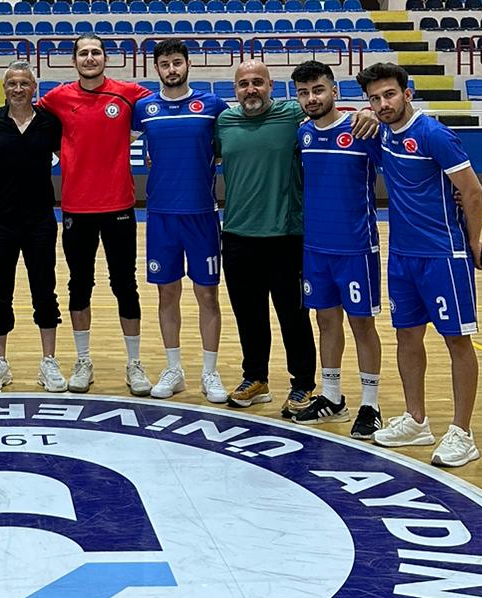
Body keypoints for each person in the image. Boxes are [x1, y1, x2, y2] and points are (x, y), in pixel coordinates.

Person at [215, 57, 379, 412]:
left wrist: (369, 113)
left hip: (287, 235)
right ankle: (255, 378)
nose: (251, 90)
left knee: (294, 315)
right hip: (237, 234)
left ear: (272, 87)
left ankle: (303, 383)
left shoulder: (294, 115)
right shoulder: (224, 122)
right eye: (244, 84)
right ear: (235, 90)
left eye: (258, 82)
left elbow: (330, 115)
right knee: (248, 314)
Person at [358, 61, 482, 469]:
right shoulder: (382, 132)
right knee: (407, 337)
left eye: (389, 95)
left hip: (443, 256)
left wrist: (473, 242)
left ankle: (462, 433)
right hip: (402, 257)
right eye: (375, 99)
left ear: (407, 94)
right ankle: (416, 421)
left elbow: (473, 192)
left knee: (457, 341)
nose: (383, 104)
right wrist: (362, 115)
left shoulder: (434, 135)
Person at [38, 34, 150, 395]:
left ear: (106, 58)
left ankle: (134, 363)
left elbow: (163, 112)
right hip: (76, 207)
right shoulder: (57, 98)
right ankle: (83, 360)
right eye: (83, 53)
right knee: (79, 284)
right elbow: (26, 120)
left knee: (125, 285)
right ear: (74, 61)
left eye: (96, 52)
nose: (90, 58)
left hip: (119, 205)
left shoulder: (128, 93)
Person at [291, 59, 383, 438]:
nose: (311, 98)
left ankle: (370, 405)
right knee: (325, 321)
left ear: (334, 91)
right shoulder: (302, 134)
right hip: (315, 248)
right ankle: (332, 398)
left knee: (362, 324)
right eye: (303, 93)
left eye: (318, 90)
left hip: (356, 248)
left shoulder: (363, 129)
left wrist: (372, 114)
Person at [132, 38, 228, 402]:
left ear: (188, 64)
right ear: (156, 68)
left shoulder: (212, 106)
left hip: (202, 215)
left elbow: (227, 146)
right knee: (167, 294)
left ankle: (209, 372)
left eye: (177, 62)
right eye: (165, 64)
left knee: (207, 295)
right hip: (161, 217)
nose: (171, 69)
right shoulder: (145, 108)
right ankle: (174, 369)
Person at [0, 61, 66, 393]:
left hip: (40, 220)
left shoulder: (50, 123)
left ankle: (49, 361)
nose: (18, 89)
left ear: (34, 88)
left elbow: (76, 157)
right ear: (4, 88)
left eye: (24, 83)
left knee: (45, 290)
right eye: (12, 83)